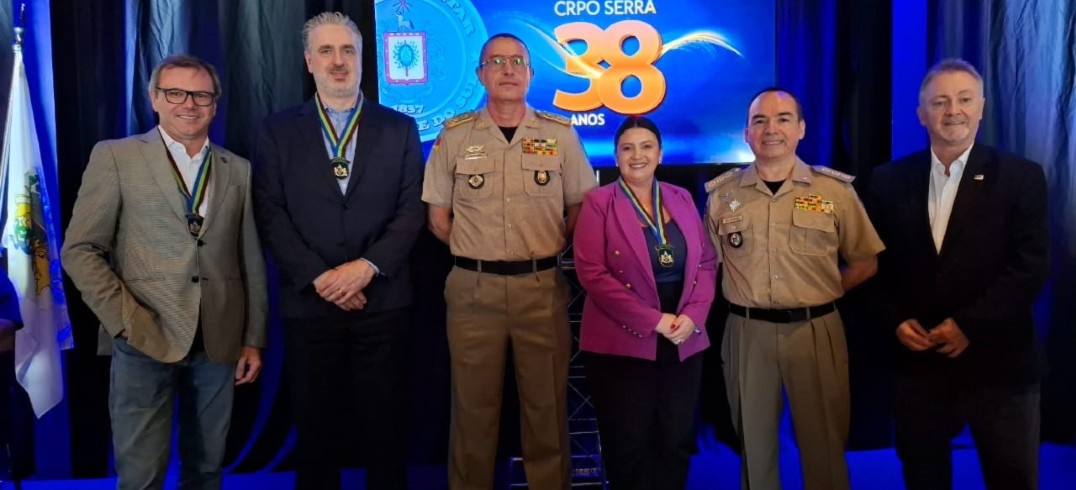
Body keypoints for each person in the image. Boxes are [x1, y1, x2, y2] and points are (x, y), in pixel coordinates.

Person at [61, 54, 267, 490]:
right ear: (155, 99)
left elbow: (250, 259)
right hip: (143, 337)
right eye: (175, 93)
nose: (188, 104)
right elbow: (80, 250)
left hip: (219, 339)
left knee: (207, 469)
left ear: (215, 103)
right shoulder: (116, 156)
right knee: (141, 475)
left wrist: (253, 338)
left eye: (200, 95)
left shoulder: (238, 169)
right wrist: (123, 321)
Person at [251, 11, 425, 490]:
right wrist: (323, 279)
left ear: (363, 59)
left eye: (348, 50)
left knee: (386, 431)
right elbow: (270, 213)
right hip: (311, 303)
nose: (338, 61)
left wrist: (365, 269)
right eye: (326, 51)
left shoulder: (400, 128)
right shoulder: (277, 130)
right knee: (317, 432)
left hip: (384, 303)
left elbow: (411, 210)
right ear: (309, 62)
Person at [422, 32, 597, 490]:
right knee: (474, 409)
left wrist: (547, 244)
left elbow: (580, 207)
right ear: (480, 74)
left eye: (517, 61)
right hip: (473, 289)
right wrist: (479, 250)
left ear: (530, 74)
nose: (508, 68)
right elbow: (438, 218)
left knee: (546, 408)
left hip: (539, 287)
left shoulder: (559, 134)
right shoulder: (456, 135)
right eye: (496, 61)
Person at [865, 59, 1048, 490]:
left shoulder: (1022, 176)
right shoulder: (887, 181)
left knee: (1013, 478)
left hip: (1000, 364)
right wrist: (893, 321)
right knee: (924, 477)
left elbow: (1030, 266)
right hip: (919, 362)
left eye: (964, 100)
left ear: (981, 107)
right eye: (940, 101)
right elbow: (871, 266)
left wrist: (969, 326)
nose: (953, 111)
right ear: (921, 113)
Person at [704, 88, 884, 490]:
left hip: (815, 331)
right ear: (746, 134)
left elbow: (865, 261)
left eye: (783, 118)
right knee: (755, 445)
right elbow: (706, 267)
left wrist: (822, 291)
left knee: (824, 445)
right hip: (747, 333)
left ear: (801, 129)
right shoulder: (722, 196)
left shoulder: (834, 192)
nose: (772, 129)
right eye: (760, 121)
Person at [572, 116, 716, 490]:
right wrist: (654, 320)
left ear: (660, 153)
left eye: (646, 146)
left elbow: (705, 261)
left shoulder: (681, 197)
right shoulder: (598, 202)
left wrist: (693, 316)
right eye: (627, 148)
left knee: (676, 438)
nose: (638, 155)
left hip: (684, 335)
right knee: (629, 443)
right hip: (624, 340)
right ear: (616, 157)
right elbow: (593, 275)